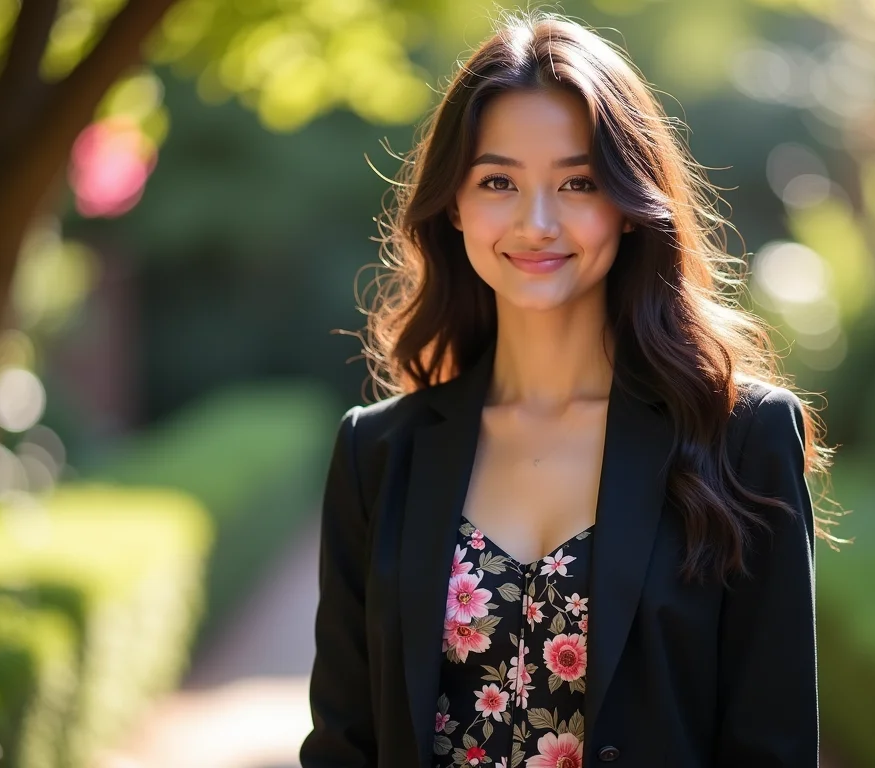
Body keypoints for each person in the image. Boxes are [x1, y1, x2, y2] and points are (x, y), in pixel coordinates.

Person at [300, 11, 832, 768]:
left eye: (579, 181)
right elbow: (343, 747)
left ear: (629, 201)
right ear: (455, 204)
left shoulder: (739, 439)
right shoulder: (378, 452)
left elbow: (772, 748)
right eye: (498, 181)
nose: (537, 221)